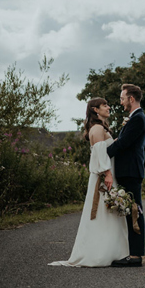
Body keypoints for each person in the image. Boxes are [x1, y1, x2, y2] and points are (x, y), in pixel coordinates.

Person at [49, 98, 129, 267]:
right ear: (95, 109)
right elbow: (100, 154)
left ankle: (111, 250)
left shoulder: (99, 128)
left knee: (107, 213)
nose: (108, 107)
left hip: (105, 175)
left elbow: (105, 150)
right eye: (104, 105)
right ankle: (101, 253)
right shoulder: (98, 128)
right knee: (104, 213)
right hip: (104, 176)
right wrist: (107, 174)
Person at [107, 84, 145, 267]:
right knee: (130, 211)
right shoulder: (135, 118)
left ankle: (135, 256)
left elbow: (123, 143)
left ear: (131, 99)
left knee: (134, 212)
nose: (121, 101)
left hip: (131, 172)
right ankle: (131, 252)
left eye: (123, 98)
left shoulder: (138, 119)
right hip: (128, 172)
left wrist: (103, 153)